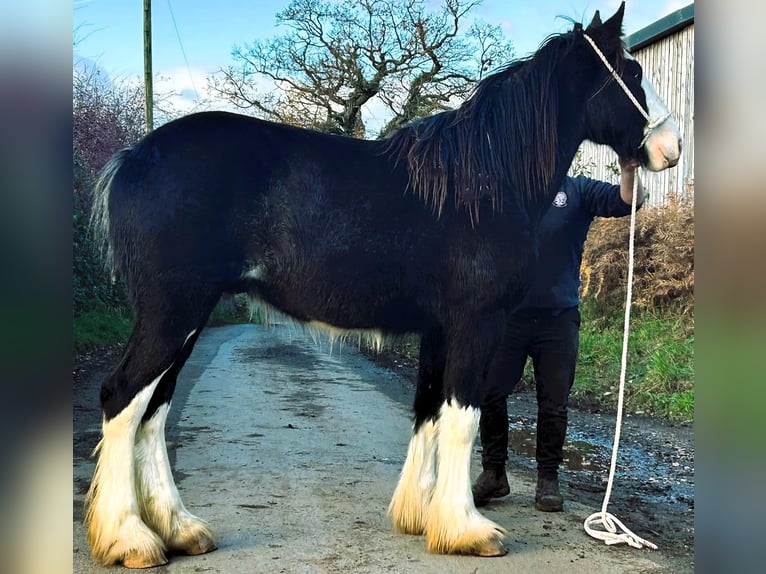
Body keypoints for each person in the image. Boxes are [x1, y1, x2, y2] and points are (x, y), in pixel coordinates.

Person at [472, 158, 644, 512]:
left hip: (558, 319)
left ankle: (547, 480)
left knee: (553, 403)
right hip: (509, 317)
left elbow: (630, 201)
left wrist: (629, 170)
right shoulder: (508, 190)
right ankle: (493, 473)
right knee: (490, 392)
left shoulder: (578, 190)